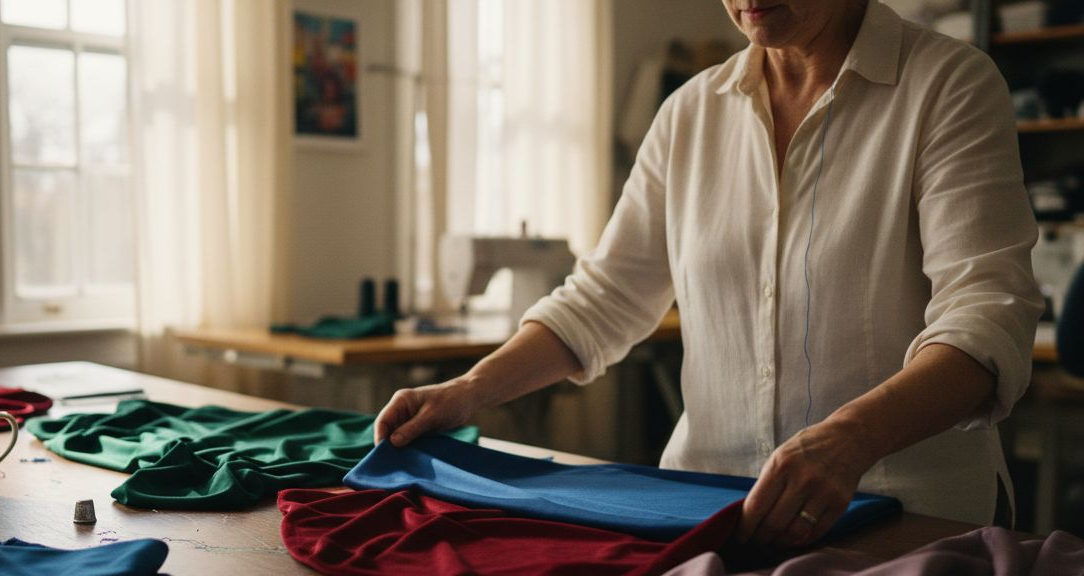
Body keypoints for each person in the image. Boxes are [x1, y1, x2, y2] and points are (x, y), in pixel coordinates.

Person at [374, 0, 1044, 547]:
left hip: (907, 518)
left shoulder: (949, 85)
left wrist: (851, 440)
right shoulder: (689, 115)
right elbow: (603, 299)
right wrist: (467, 391)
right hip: (708, 514)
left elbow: (987, 316)